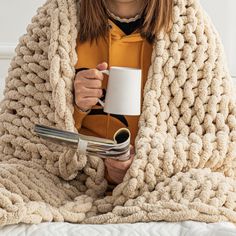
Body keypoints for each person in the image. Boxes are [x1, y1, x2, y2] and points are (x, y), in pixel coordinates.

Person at [73, 0, 173, 185]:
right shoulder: (58, 23)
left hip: (159, 186)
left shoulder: (190, 30)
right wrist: (75, 106)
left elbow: (208, 138)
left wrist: (145, 165)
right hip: (74, 180)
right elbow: (29, 131)